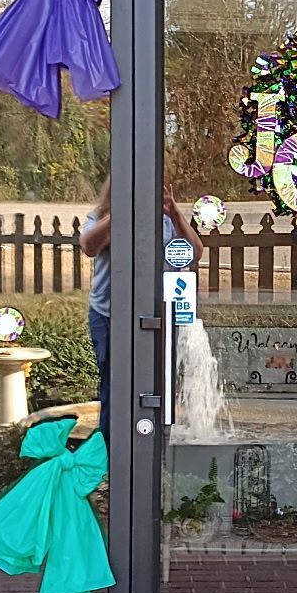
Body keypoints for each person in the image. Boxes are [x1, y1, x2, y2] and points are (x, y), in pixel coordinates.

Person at [80, 181, 204, 435]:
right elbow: (88, 246)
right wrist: (120, 212)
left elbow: (195, 253)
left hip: (156, 317)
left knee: (159, 383)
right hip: (109, 316)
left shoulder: (166, 221)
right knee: (114, 385)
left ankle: (155, 448)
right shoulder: (101, 216)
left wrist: (174, 212)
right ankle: (113, 449)